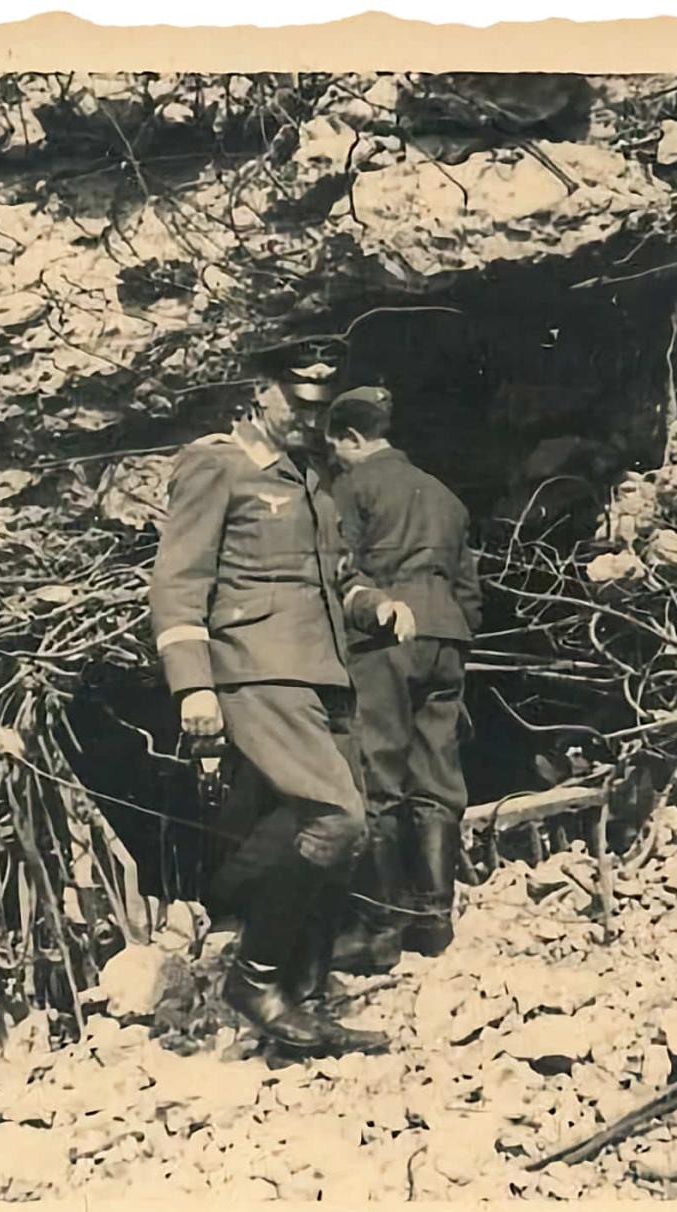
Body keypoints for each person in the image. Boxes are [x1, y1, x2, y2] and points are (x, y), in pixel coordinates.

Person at [149, 361, 415, 1055]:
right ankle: (255, 977)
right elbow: (178, 581)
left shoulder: (309, 478)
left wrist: (373, 604)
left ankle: (304, 1002)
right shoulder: (217, 465)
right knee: (336, 818)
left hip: (321, 676)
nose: (308, 416)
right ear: (259, 392)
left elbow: (332, 577)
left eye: (319, 405)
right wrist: (193, 683)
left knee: (331, 835)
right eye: (296, 401)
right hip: (256, 671)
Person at [323, 385, 482, 969]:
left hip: (383, 636)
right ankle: (433, 919)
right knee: (437, 774)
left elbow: (338, 568)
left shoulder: (350, 487)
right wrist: (450, 632)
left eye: (335, 446)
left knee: (377, 775)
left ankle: (377, 929)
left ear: (352, 438)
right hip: (446, 639)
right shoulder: (445, 496)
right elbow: (470, 591)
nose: (334, 458)